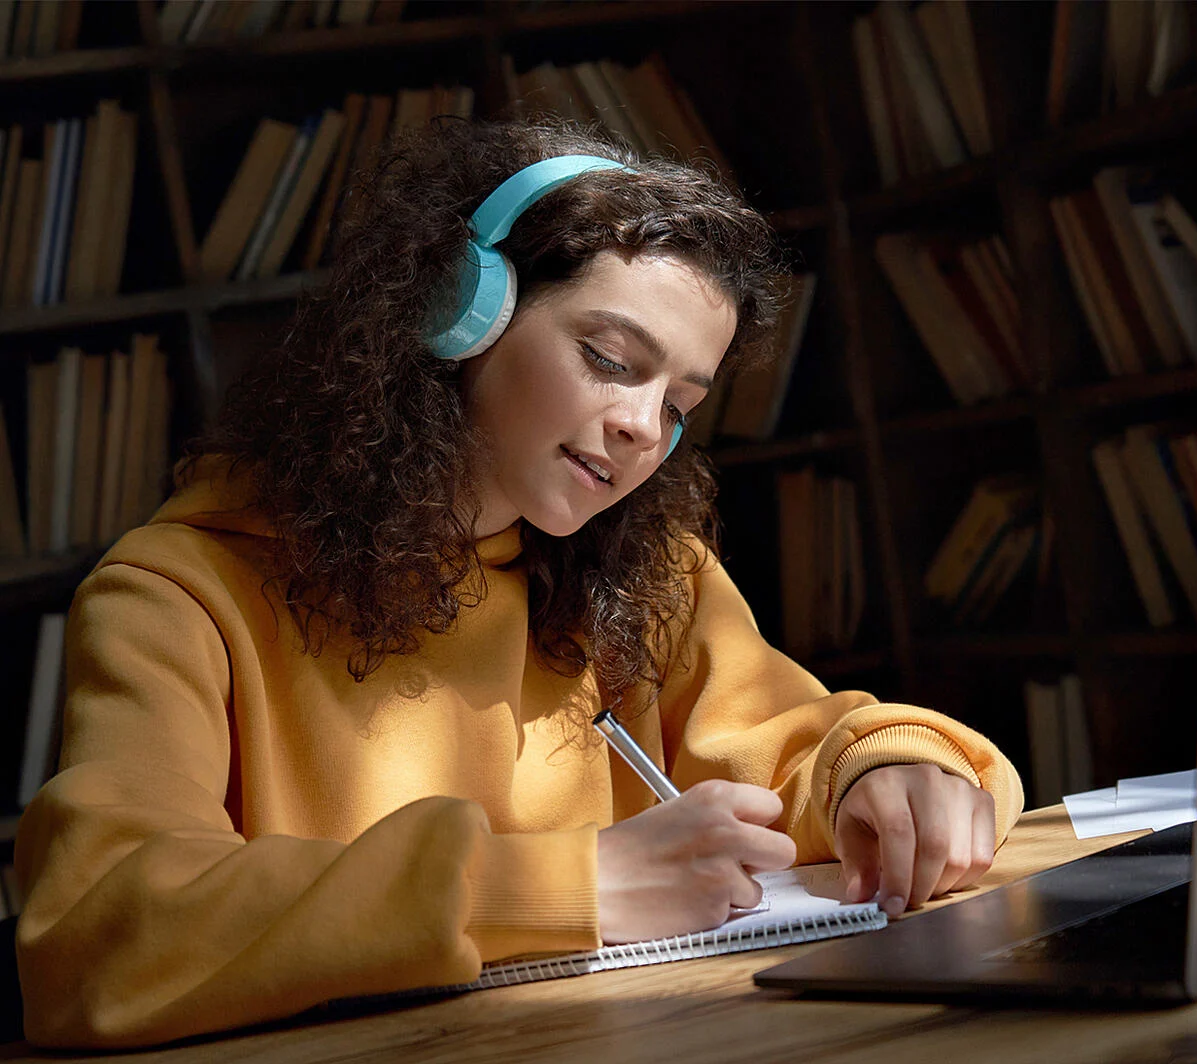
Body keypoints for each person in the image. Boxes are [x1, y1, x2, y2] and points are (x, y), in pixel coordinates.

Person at [13, 116, 1023, 1048]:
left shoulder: (646, 571)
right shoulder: (179, 592)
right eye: (609, 357)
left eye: (679, 402)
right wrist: (572, 880)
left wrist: (886, 768)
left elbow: (796, 745)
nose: (642, 428)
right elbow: (96, 935)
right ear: (463, 314)